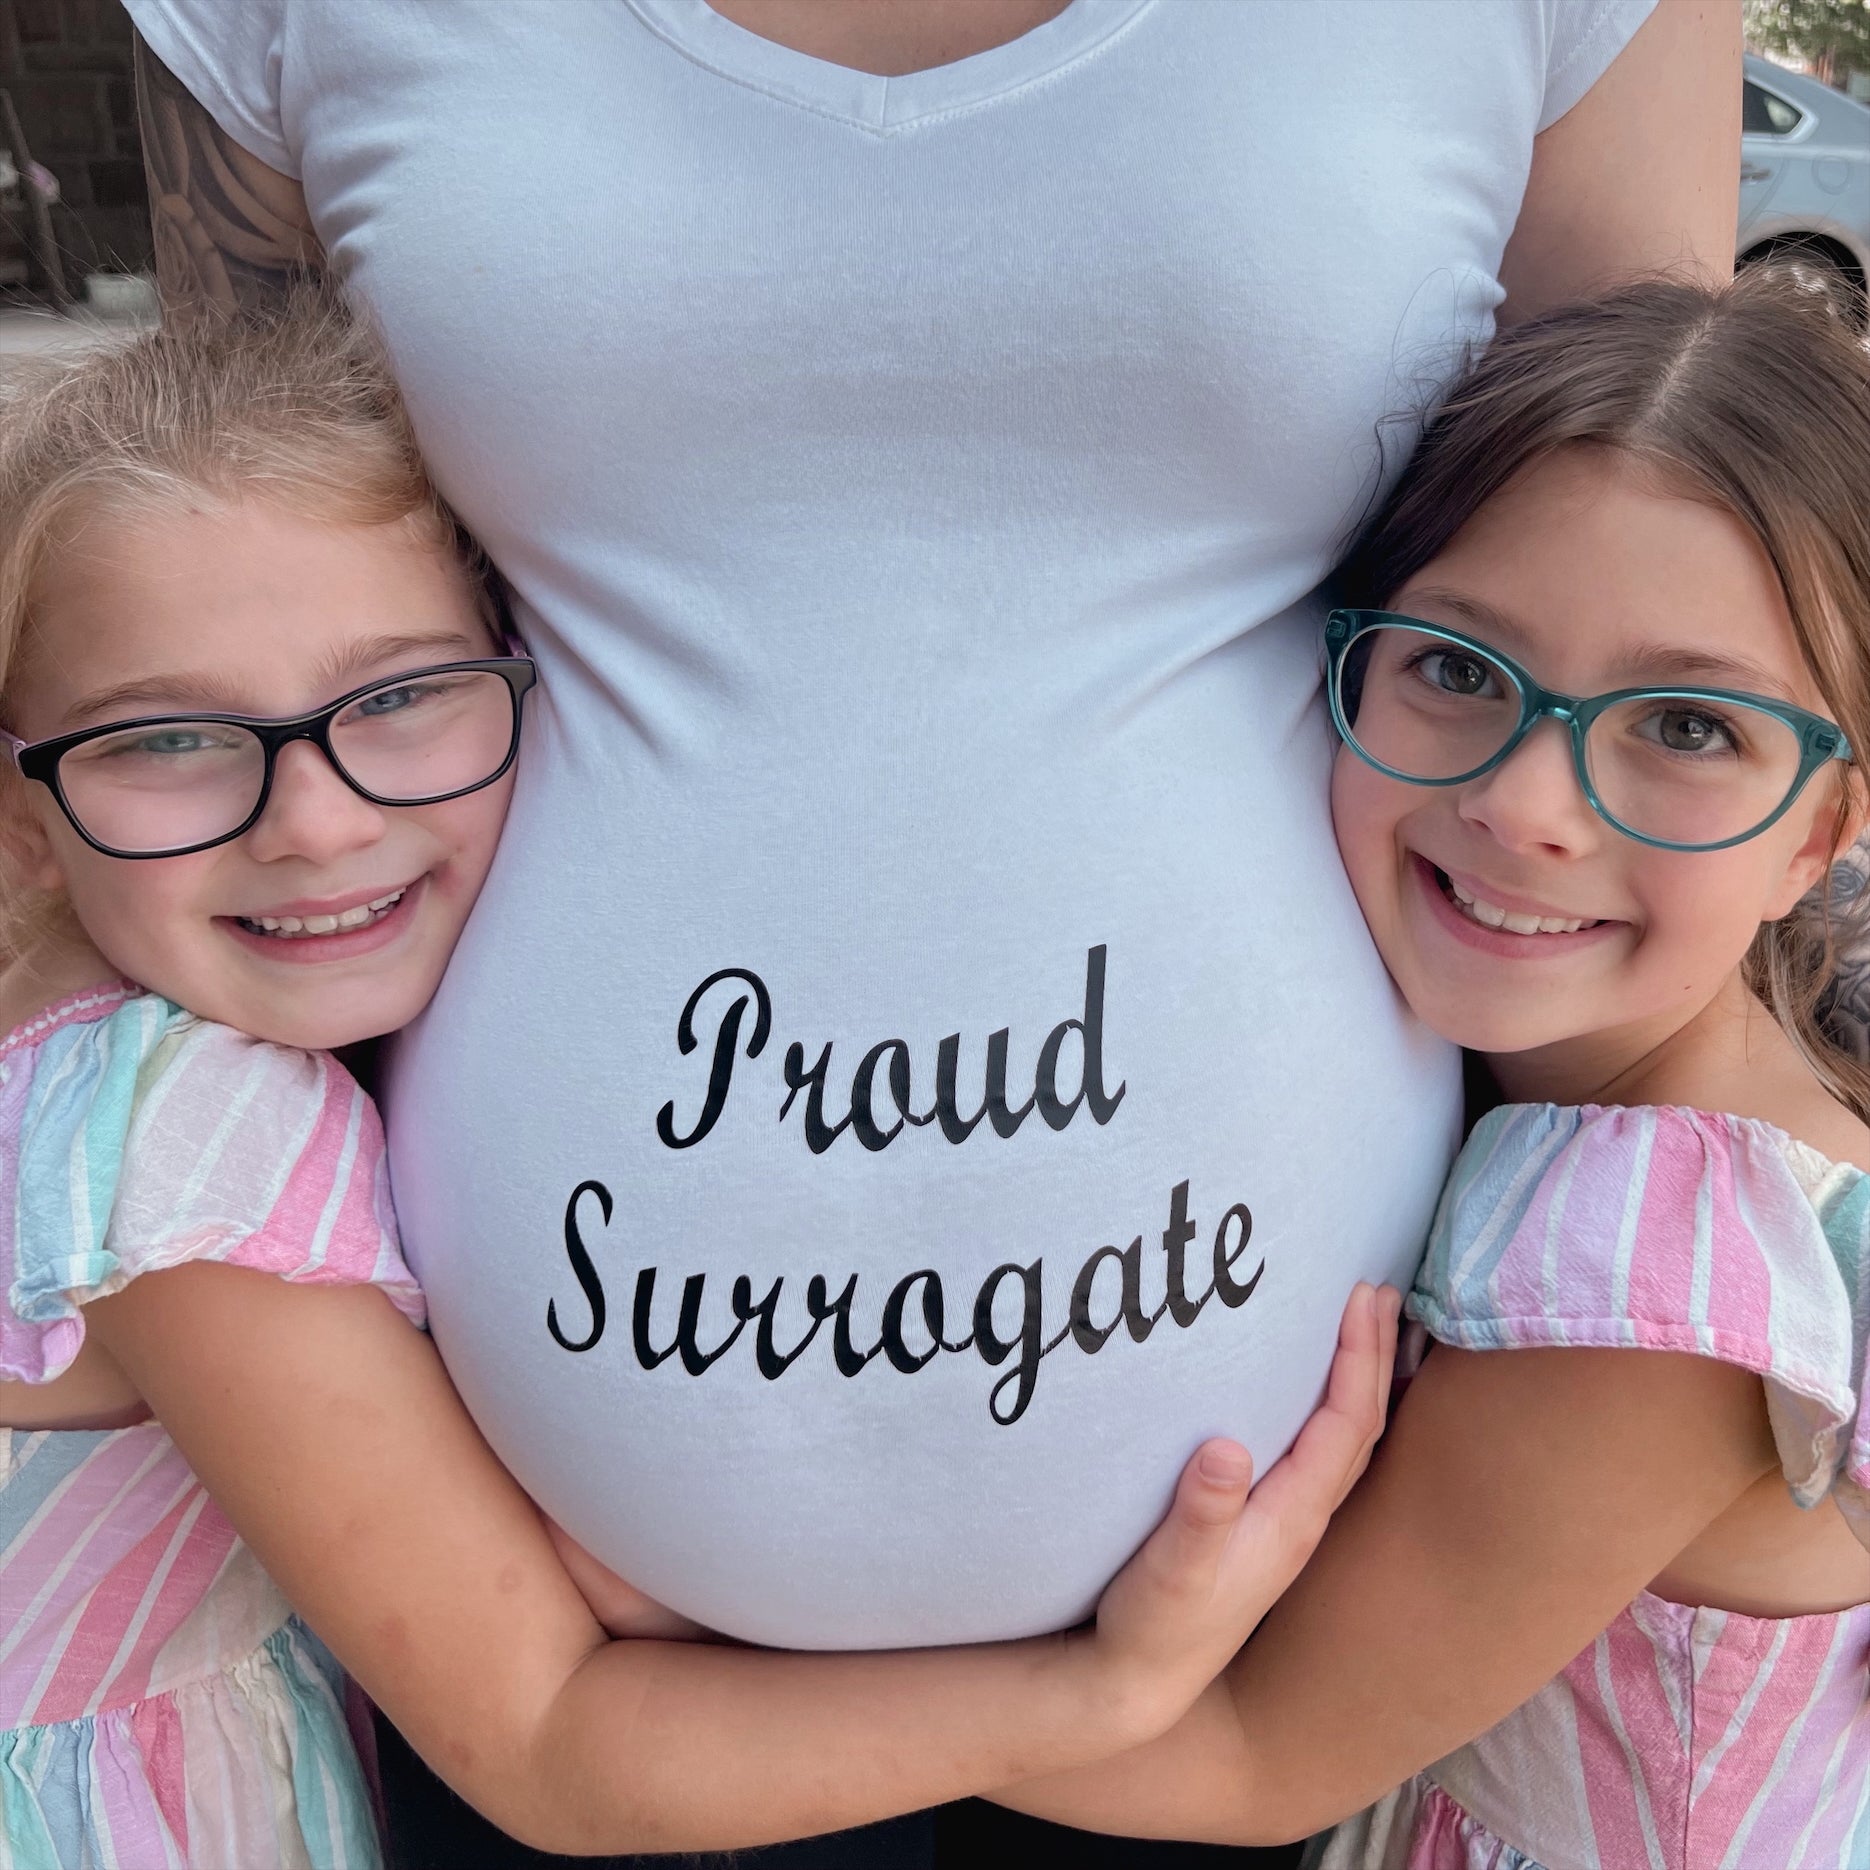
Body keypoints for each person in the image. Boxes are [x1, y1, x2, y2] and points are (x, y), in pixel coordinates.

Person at [121, 1, 1739, 1862]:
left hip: (1265, 1643)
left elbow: (1648, 601)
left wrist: (1750, 1162)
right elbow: (224, 600)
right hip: (518, 1620)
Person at [0, 299, 1395, 1868]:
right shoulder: (173, 1142)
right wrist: (1110, 1686)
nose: (313, 820)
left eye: (397, 697)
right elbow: (545, 1734)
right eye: (169, 740)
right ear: (23, 813)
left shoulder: (174, 1045)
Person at [986, 270, 1870, 1865]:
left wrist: (715, 1643)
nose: (1531, 803)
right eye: (1457, 671)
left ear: (1821, 829)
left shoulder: (1656, 1273)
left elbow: (1257, 1759)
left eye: (1682, 726)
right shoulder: (1552, 1089)